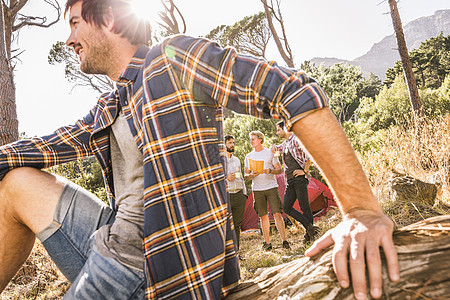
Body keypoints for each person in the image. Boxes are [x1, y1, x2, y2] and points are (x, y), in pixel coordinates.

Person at [0, 0, 399, 299]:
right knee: (17, 184)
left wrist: (361, 209)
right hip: (111, 238)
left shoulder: (173, 60)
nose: (68, 38)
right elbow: (50, 144)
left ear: (108, 18)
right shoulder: (112, 103)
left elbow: (292, 90)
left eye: (73, 22)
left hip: (149, 270)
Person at [271, 120, 318, 242]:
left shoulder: (296, 140)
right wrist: (272, 147)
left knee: (304, 206)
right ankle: (309, 227)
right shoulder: (286, 143)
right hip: (290, 180)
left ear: (285, 129)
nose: (277, 133)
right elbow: (278, 148)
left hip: (299, 179)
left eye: (278, 130)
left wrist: (304, 171)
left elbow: (309, 156)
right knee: (286, 208)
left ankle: (309, 236)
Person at [244, 131, 290, 250]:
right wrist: (251, 175)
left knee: (277, 214)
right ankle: (267, 243)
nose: (251, 141)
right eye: (250, 139)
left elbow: (279, 170)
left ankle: (284, 241)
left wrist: (270, 171)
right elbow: (246, 175)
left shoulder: (270, 153)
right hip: (257, 189)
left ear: (260, 139)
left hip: (271, 187)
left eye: (253, 139)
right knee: (263, 216)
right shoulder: (248, 156)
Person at [224, 135, 247, 254]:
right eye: (229, 143)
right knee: (226, 226)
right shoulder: (219, 160)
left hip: (239, 195)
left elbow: (241, 176)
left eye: (233, 142)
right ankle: (226, 254)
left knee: (237, 225)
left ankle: (236, 253)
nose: (232, 145)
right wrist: (226, 178)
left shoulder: (237, 160)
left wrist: (244, 193)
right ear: (224, 145)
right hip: (226, 195)